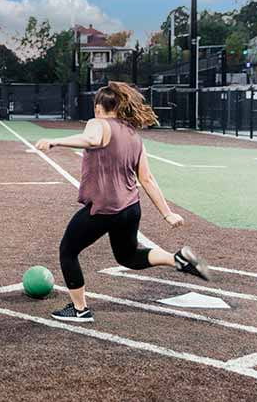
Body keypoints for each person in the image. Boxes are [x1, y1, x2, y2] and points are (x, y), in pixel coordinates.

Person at [35, 81, 210, 323]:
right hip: (130, 208)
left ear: (99, 107)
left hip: (105, 208)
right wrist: (167, 213)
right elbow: (146, 179)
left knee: (68, 250)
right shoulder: (133, 135)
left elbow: (93, 140)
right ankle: (177, 259)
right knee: (127, 257)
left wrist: (56, 141)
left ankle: (79, 309)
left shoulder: (97, 124)